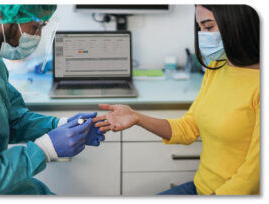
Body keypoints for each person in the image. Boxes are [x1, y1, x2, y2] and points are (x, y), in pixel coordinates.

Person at [94, 5, 259, 195]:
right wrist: (136, 117)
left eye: (208, 27)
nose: (202, 35)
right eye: (200, 28)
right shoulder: (217, 67)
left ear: (239, 23)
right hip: (201, 187)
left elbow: (252, 178)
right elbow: (188, 128)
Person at [0, 5, 105, 195]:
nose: (37, 35)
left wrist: (60, 125)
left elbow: (12, 120)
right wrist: (46, 149)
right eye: (36, 26)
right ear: (4, 13)